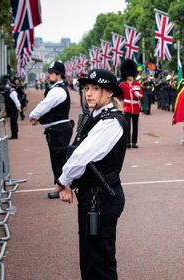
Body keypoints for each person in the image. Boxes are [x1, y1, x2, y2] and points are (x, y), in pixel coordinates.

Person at [55, 69, 127, 280]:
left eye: (96, 89)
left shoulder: (110, 121)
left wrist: (63, 181)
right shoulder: (96, 117)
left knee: (99, 262)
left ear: (110, 93)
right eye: (87, 88)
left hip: (101, 198)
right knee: (89, 257)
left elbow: (81, 156)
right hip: (93, 195)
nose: (89, 93)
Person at [29, 61, 74, 199]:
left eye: (51, 72)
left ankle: (61, 188)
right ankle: (61, 186)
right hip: (58, 129)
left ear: (58, 75)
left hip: (58, 130)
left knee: (59, 160)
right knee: (58, 159)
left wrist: (34, 116)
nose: (48, 75)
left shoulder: (57, 90)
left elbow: (44, 105)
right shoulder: (57, 88)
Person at [119, 59, 143, 149]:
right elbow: (120, 96)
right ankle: (127, 142)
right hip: (127, 107)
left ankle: (134, 142)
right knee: (127, 125)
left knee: (135, 126)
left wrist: (139, 96)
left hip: (136, 107)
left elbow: (142, 96)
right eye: (128, 75)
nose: (130, 76)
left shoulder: (138, 84)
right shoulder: (122, 85)